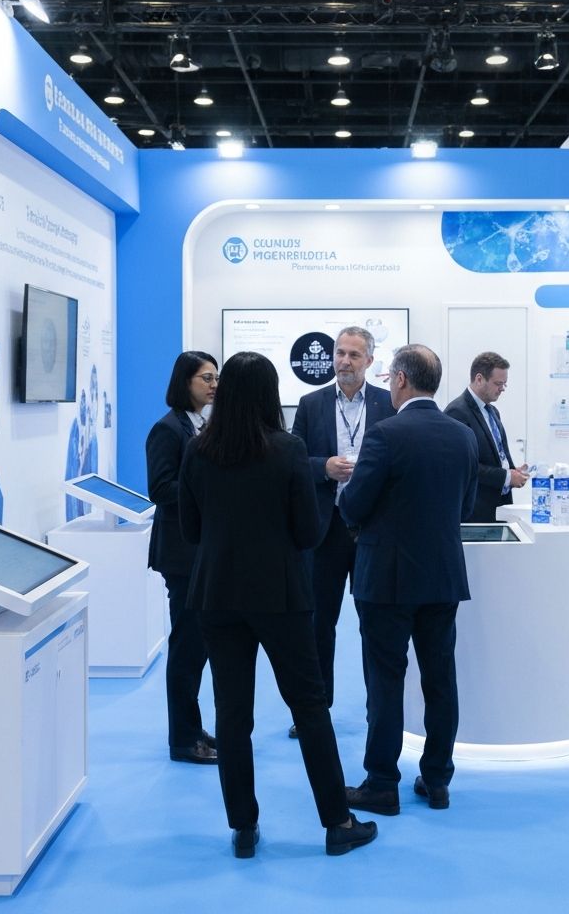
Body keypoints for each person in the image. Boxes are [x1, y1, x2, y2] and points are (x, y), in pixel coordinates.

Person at [178, 351, 377, 859]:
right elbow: (309, 532)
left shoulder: (199, 450)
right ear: (270, 394)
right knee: (310, 707)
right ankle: (337, 821)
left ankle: (243, 828)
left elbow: (191, 530)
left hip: (217, 596)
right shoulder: (287, 450)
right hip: (281, 596)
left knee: (231, 714)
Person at [338, 345, 478, 815]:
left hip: (387, 581)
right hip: (442, 576)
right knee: (440, 679)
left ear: (399, 380)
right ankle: (437, 779)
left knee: (385, 681)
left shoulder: (385, 435)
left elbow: (352, 504)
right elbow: (464, 507)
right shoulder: (462, 436)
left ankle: (382, 782)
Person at [290, 326, 396, 736]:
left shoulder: (388, 404)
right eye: (340, 354)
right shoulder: (310, 403)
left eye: (354, 355)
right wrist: (324, 467)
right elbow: (294, 457)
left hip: (372, 527)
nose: (344, 362)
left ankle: (379, 709)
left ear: (370, 361)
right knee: (319, 623)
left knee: (375, 623)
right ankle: (316, 708)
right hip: (325, 527)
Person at [146, 351, 219, 765]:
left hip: (202, 553)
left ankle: (193, 728)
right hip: (182, 555)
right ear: (184, 382)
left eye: (216, 378)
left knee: (198, 646)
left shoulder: (202, 424)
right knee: (187, 647)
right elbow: (161, 489)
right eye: (205, 378)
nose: (213, 385)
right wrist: (211, 497)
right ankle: (183, 739)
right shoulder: (167, 429)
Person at [444, 351, 529, 522]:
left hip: (499, 504)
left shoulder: (492, 411)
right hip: (475, 509)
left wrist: (513, 471)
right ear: (479, 379)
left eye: (505, 384)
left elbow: (497, 453)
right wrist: (506, 477)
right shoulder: (457, 411)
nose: (502, 389)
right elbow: (463, 465)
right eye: (498, 383)